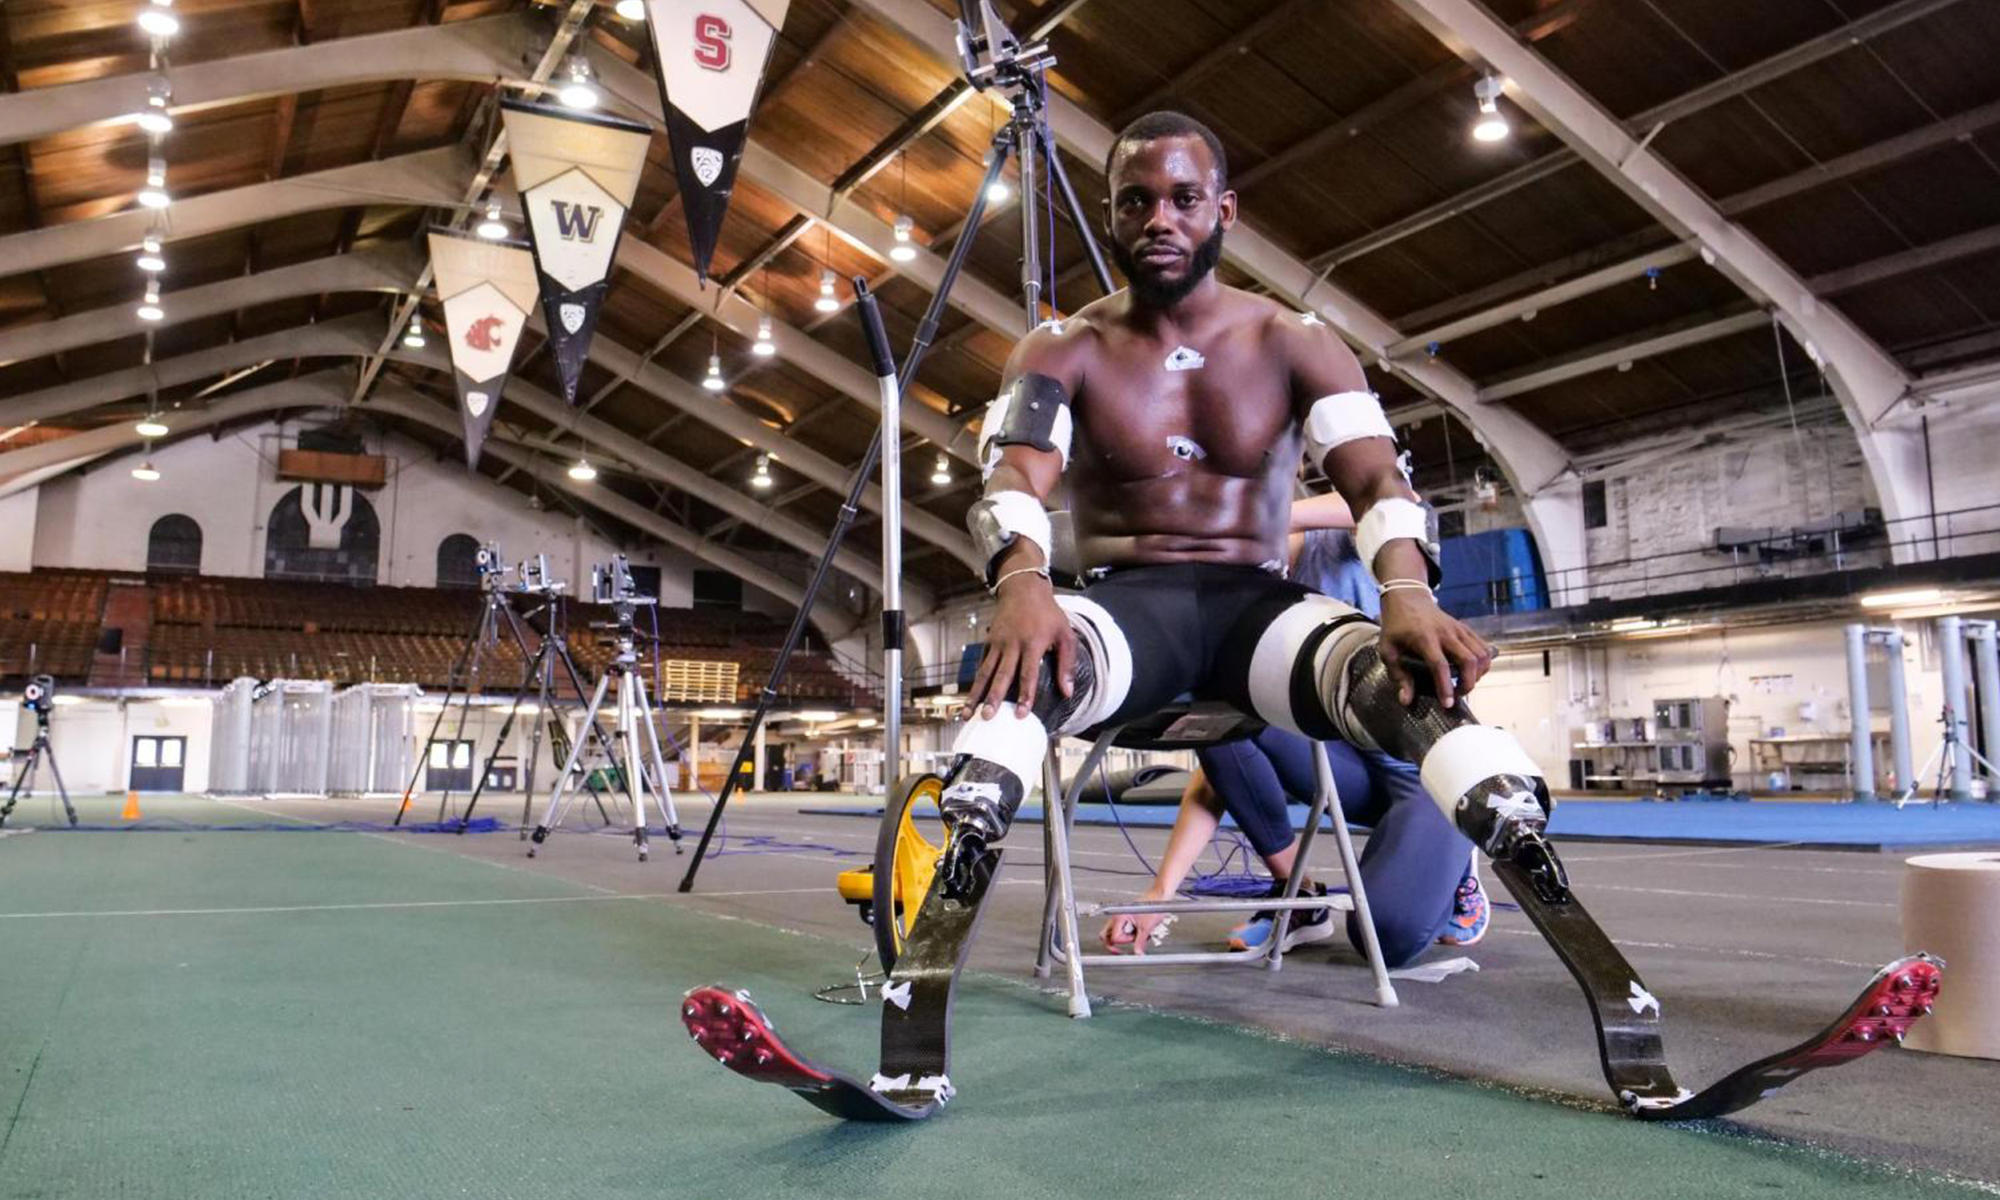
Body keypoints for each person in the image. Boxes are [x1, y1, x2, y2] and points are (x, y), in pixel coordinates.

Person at [938, 108, 1550, 944]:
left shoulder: (1298, 340)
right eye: (1136, 201)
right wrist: (1021, 581)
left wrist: (1404, 592)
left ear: (1223, 211)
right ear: (1113, 214)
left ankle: (1497, 810)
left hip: (1258, 609)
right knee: (1031, 662)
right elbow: (1013, 472)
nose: (1159, 219)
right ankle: (969, 836)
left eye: (1183, 199)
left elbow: (1375, 477)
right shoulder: (1059, 348)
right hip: (1132, 607)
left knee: (1397, 672)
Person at [1098, 497, 1487, 966]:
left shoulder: (1339, 543)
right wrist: (1161, 892)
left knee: (1385, 940)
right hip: (1345, 767)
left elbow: (1401, 502)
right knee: (1210, 724)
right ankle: (1300, 893)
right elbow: (1220, 769)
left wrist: (1272, 512)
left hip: (1423, 770)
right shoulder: (1245, 606)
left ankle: (1454, 861)